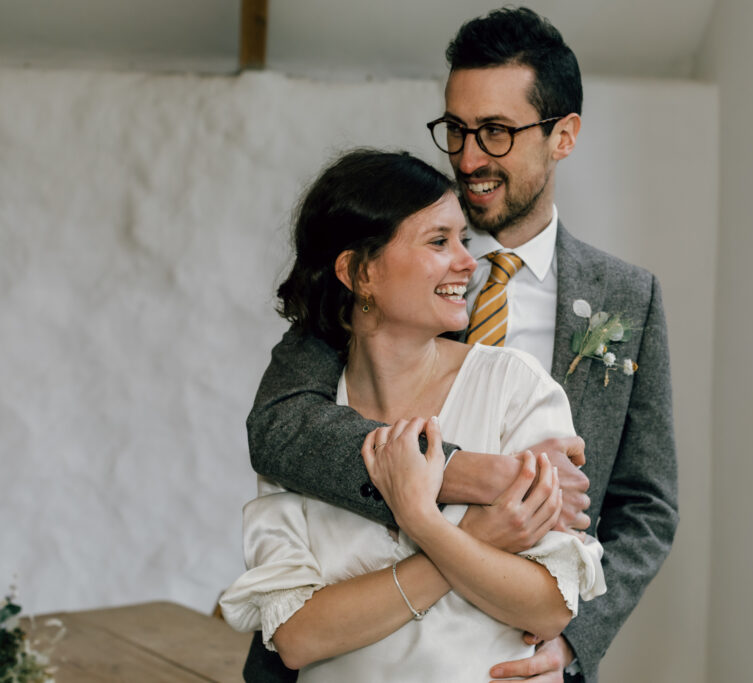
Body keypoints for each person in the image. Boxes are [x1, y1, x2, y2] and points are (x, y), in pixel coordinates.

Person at [244, 7, 678, 682]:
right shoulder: (380, 262)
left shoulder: (626, 297)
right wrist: (478, 473)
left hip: (514, 650)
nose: (469, 157)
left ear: (563, 136)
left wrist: (576, 638)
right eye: (457, 128)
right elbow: (281, 427)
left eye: (497, 132)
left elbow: (646, 503)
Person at [220, 149, 606, 682]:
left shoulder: (514, 386)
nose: (469, 263)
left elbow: (548, 608)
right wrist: (472, 536)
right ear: (359, 272)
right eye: (438, 241)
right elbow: (296, 638)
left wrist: (426, 524)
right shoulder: (303, 427)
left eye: (463, 241)